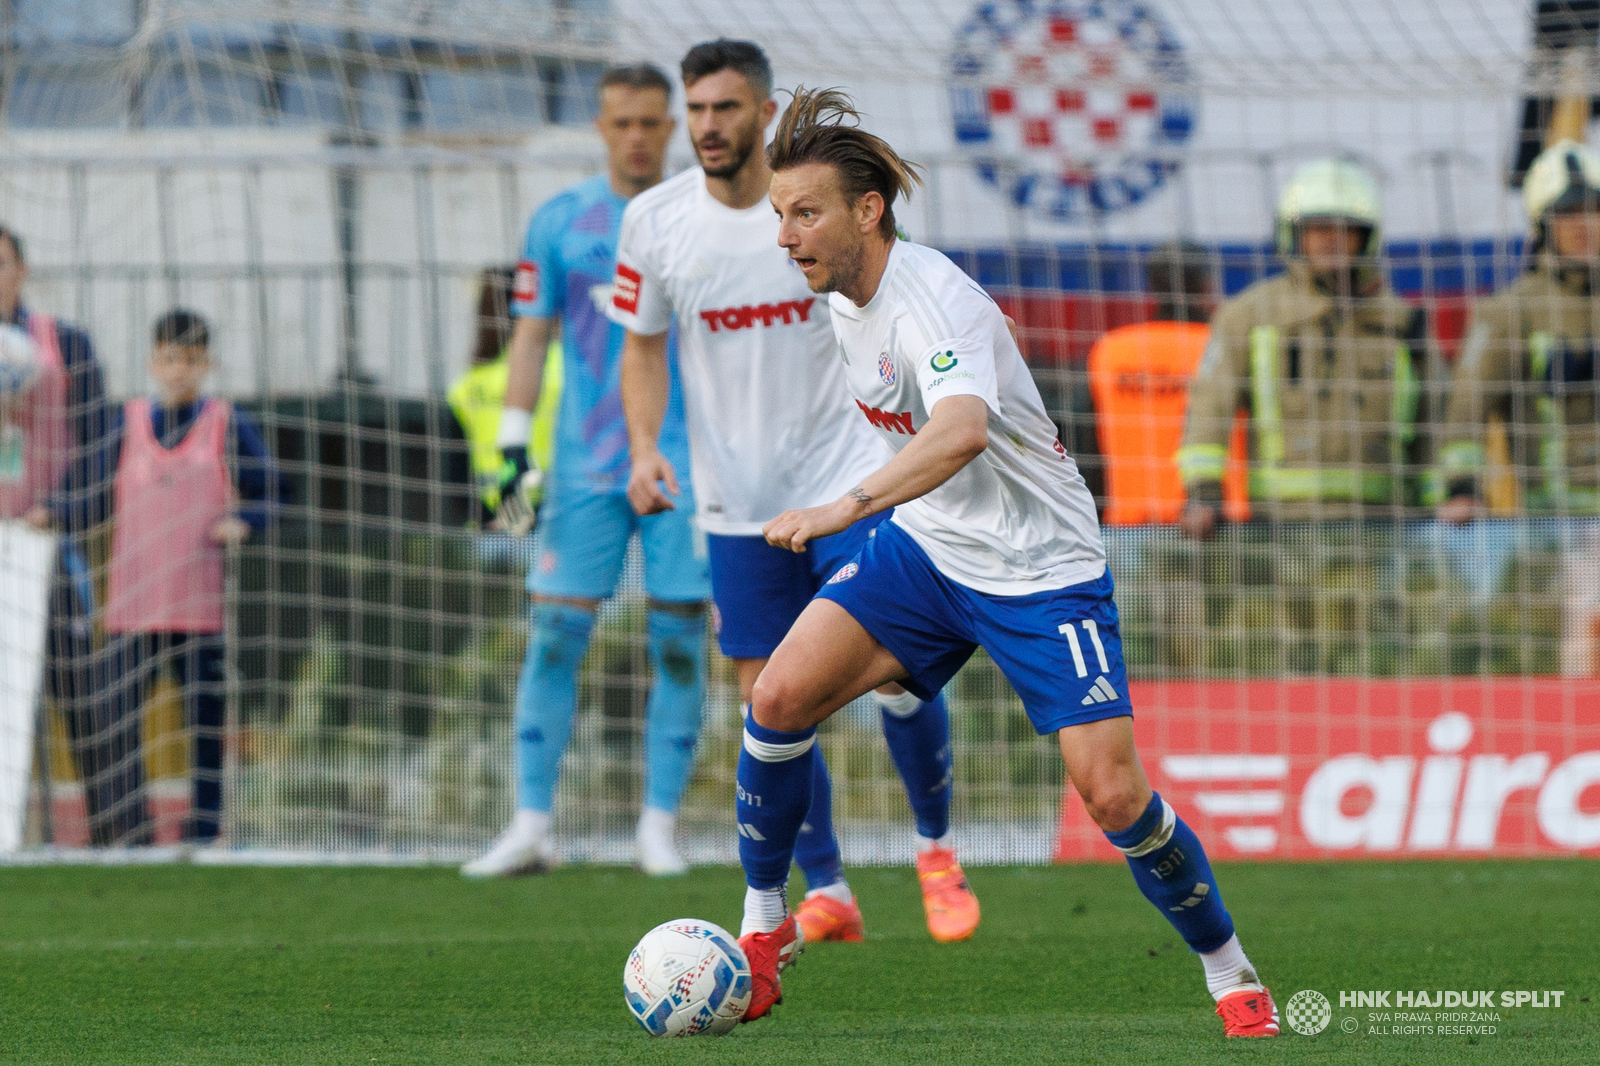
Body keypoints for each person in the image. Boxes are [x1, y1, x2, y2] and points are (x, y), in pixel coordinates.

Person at [735, 88, 1280, 1038]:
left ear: (869, 211)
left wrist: (846, 507)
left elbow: (962, 431)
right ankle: (764, 932)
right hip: (932, 551)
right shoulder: (844, 295)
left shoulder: (927, 296)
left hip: (1041, 568)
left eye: (805, 212)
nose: (786, 235)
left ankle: (1233, 976)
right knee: (776, 700)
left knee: (1113, 794)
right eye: (778, 214)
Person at [613, 40, 976, 944]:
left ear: (764, 113)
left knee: (896, 679)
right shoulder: (655, 224)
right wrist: (644, 447)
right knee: (772, 701)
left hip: (852, 485)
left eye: (725, 108)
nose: (707, 127)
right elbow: (644, 345)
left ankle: (935, 847)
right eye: (695, 110)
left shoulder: (808, 216)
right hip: (738, 504)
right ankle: (831, 891)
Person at [463, 64, 711, 879]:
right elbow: (530, 337)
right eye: (621, 123)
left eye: (650, 122)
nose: (637, 136)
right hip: (583, 465)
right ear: (603, 128)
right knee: (557, 633)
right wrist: (508, 446)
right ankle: (531, 822)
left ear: (670, 127)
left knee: (679, 640)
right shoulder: (561, 221)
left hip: (685, 463)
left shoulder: (701, 217)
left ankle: (657, 828)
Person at [94, 309, 281, 844]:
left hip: (200, 608)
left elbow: (275, 491)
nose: (179, 371)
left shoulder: (227, 423)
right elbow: (85, 489)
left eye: (192, 361)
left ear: (208, 365)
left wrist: (245, 520)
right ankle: (131, 831)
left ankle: (204, 831)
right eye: (170, 359)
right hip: (133, 606)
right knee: (119, 723)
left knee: (203, 725)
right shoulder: (123, 424)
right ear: (154, 362)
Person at [1175, 159, 1428, 538]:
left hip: (1385, 532)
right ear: (1294, 234)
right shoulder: (1251, 314)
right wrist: (1203, 492)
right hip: (1279, 534)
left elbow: (1435, 419)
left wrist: (1445, 500)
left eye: (1345, 228)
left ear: (1366, 237)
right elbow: (1211, 404)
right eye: (1317, 227)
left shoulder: (1402, 322)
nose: (1330, 238)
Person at [0, 225, 122, 844]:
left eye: (0, 263)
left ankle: (117, 840)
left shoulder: (65, 346)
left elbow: (102, 444)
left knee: (82, 691)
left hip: (44, 547)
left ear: (22, 269)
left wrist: (62, 508)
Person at [1438, 139, 1600, 520]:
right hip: (1555, 528)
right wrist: (1462, 488)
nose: (1585, 225)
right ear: (1542, 225)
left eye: (1594, 210)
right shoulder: (1512, 311)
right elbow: (1467, 406)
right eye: (1568, 213)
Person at [1087, 241, 1248, 525]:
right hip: (1216, 524)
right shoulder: (1225, 348)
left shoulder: (1110, 351)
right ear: (1207, 285)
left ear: (1153, 287)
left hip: (1130, 529)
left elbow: (1086, 448)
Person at [445, 266, 562, 524]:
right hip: (556, 521)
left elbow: (456, 474)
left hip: (490, 525)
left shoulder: (465, 385)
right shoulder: (562, 369)